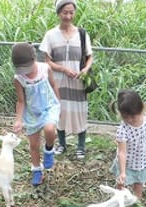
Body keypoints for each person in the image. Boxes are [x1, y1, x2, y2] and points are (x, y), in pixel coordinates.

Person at [39, 0, 93, 160]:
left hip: (78, 81)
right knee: (59, 112)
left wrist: (85, 69)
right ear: (58, 13)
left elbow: (90, 56)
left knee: (80, 112)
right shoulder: (50, 35)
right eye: (65, 12)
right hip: (58, 82)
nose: (68, 16)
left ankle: (81, 147)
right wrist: (63, 69)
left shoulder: (82, 34)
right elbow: (47, 61)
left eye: (71, 12)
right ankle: (61, 144)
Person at [11, 42, 60, 186]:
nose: (25, 71)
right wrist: (18, 120)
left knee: (50, 129)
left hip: (49, 106)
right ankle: (37, 170)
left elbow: (53, 85)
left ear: (34, 59)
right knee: (33, 144)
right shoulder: (19, 78)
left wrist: (59, 103)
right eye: (22, 69)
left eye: (27, 67)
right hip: (32, 113)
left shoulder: (45, 69)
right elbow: (21, 101)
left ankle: (49, 149)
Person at [110, 90, 146, 207]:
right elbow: (122, 152)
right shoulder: (123, 129)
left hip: (142, 160)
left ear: (142, 108)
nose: (129, 119)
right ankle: (118, 203)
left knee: (139, 185)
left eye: (132, 116)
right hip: (127, 162)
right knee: (121, 183)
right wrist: (123, 171)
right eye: (125, 117)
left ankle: (137, 204)